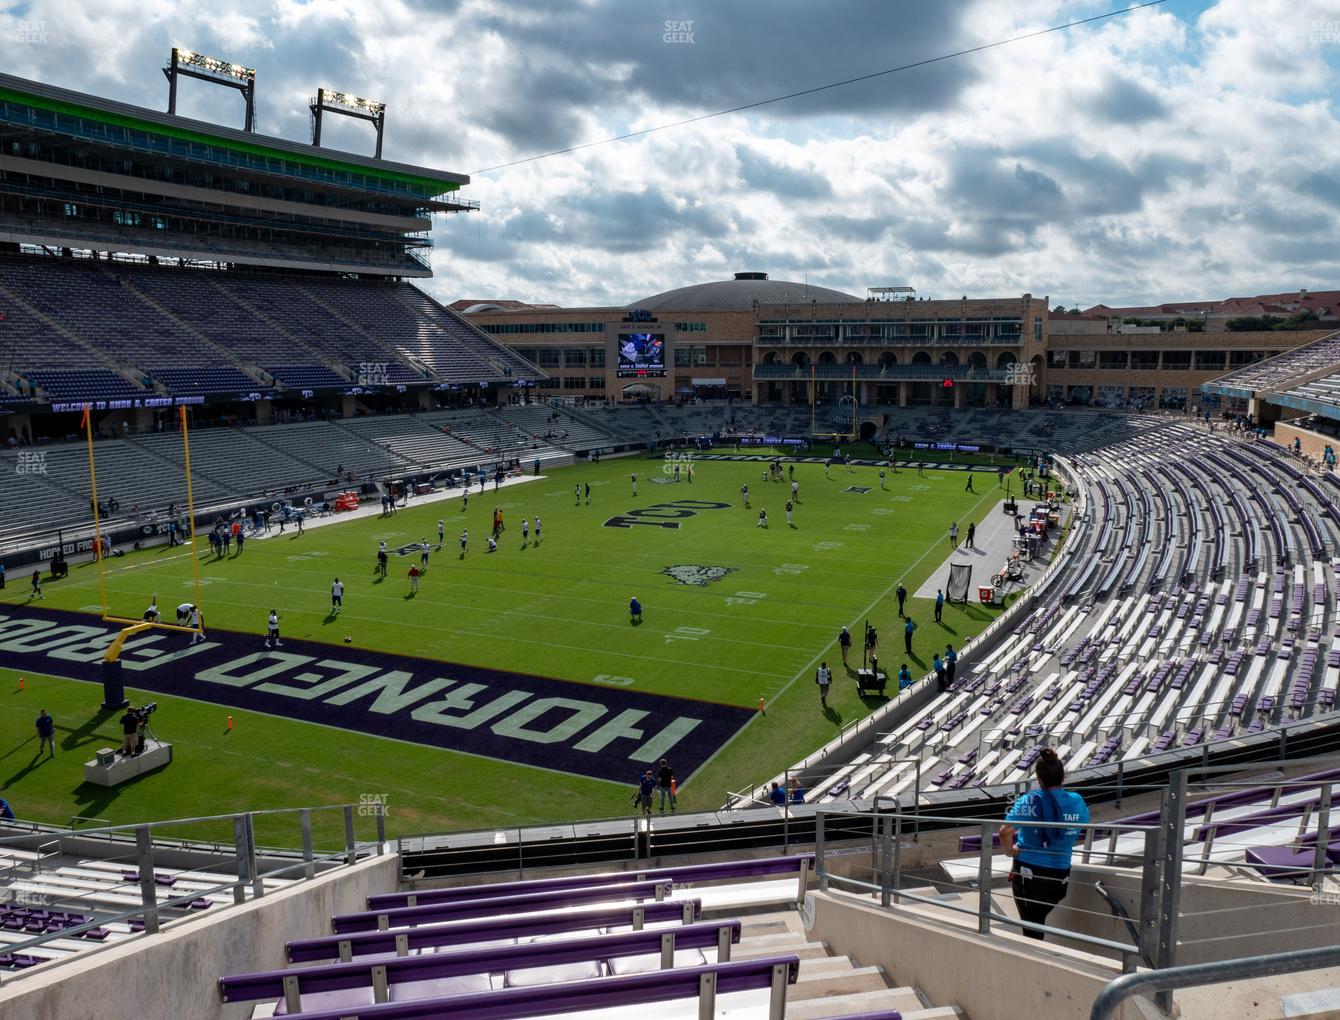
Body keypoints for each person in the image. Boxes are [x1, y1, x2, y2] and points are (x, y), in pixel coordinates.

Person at [998, 749, 1090, 940]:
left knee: (1031, 927)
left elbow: (1005, 831)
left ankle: (1033, 963)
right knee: (1035, 923)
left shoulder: (1029, 800)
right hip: (1061, 874)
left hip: (1029, 874)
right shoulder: (1077, 801)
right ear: (1063, 777)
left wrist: (1010, 852)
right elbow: (1081, 827)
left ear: (1038, 779)